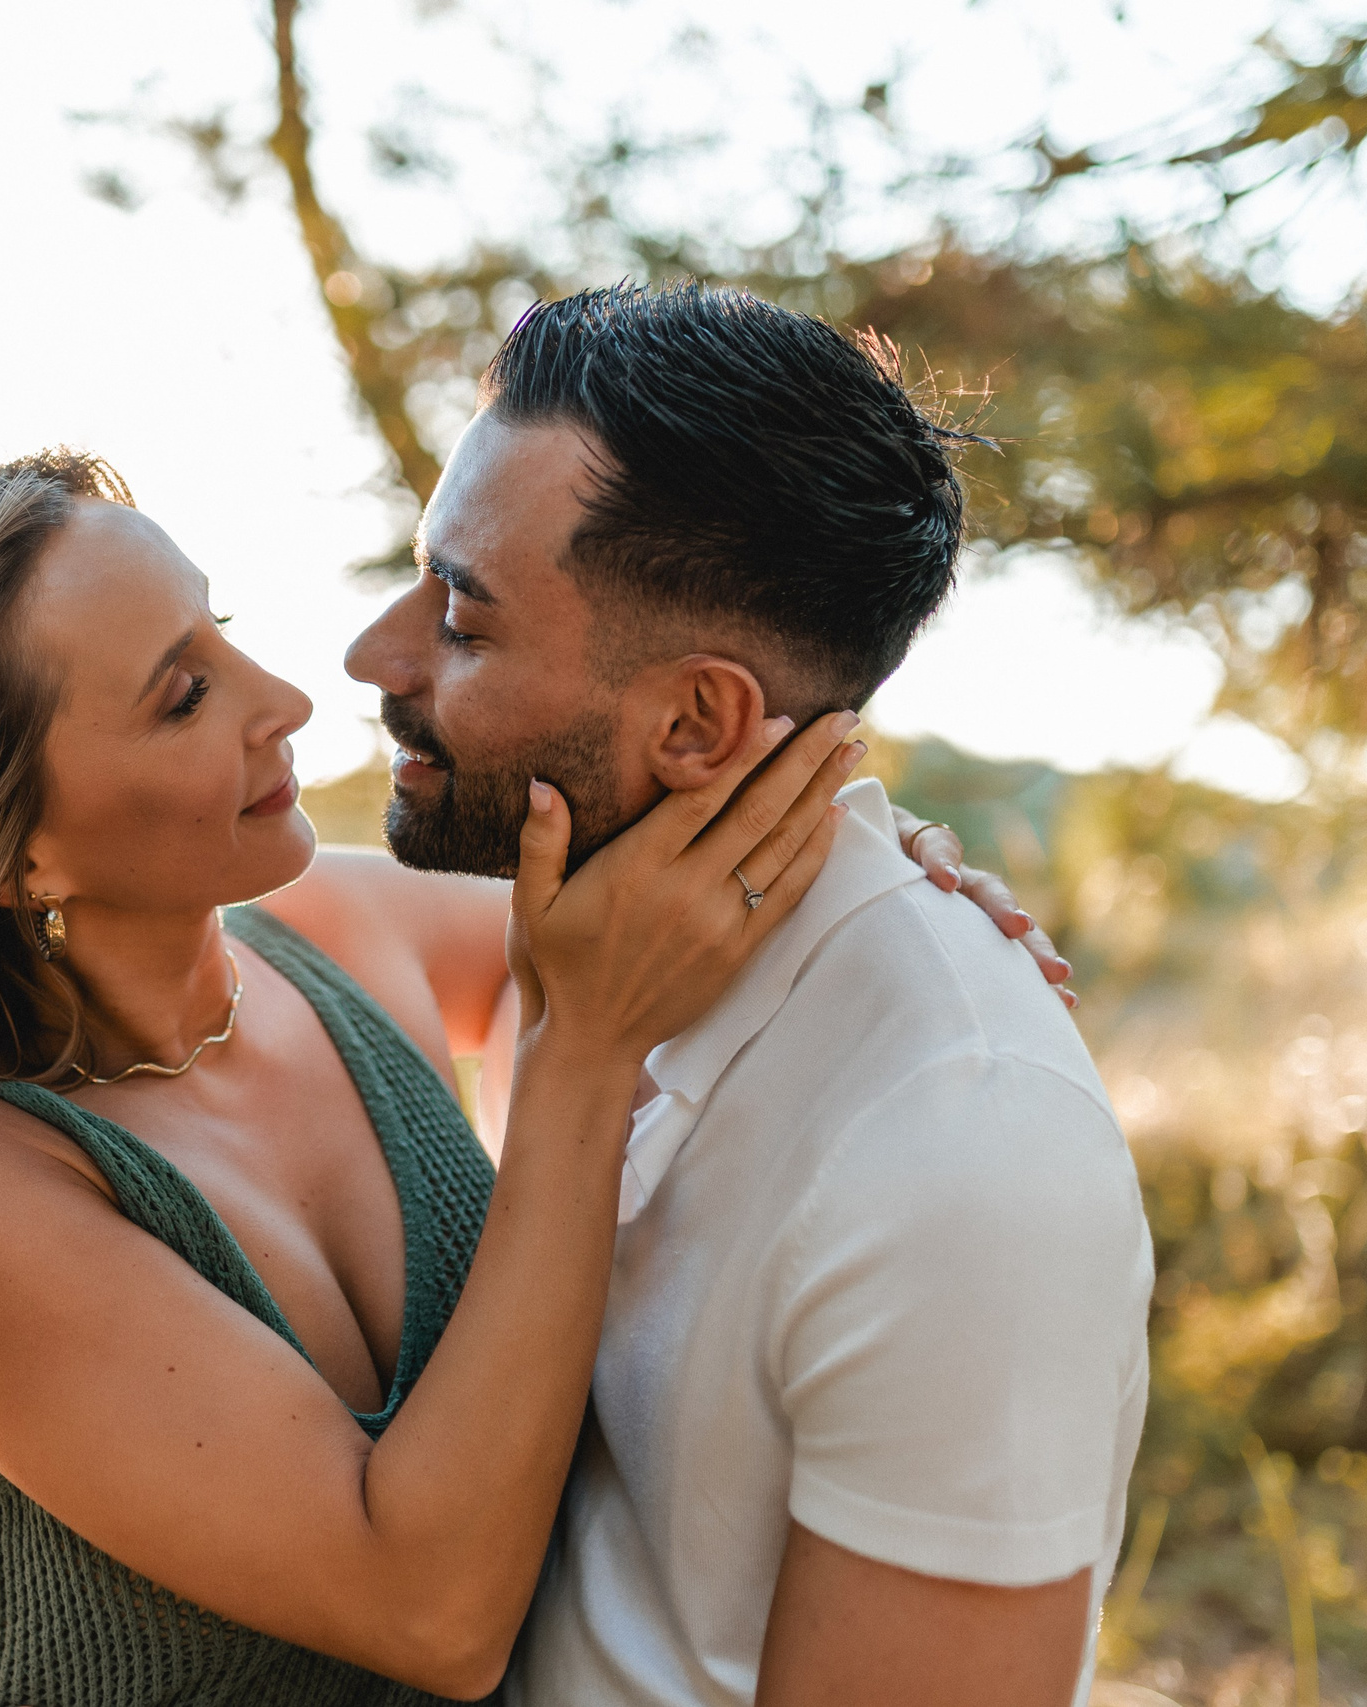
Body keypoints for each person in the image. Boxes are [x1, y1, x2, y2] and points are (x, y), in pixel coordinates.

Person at [0, 445, 1044, 1707]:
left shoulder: (326, 927)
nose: (285, 700)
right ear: (13, 849)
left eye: (220, 627)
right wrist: (578, 1072)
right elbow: (431, 1609)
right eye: (181, 692)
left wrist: (868, 883)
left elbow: (665, 908)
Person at [343, 282, 1154, 1707]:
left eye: (462, 620)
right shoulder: (586, 938)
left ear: (697, 725)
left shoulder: (964, 1152)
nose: (375, 659)